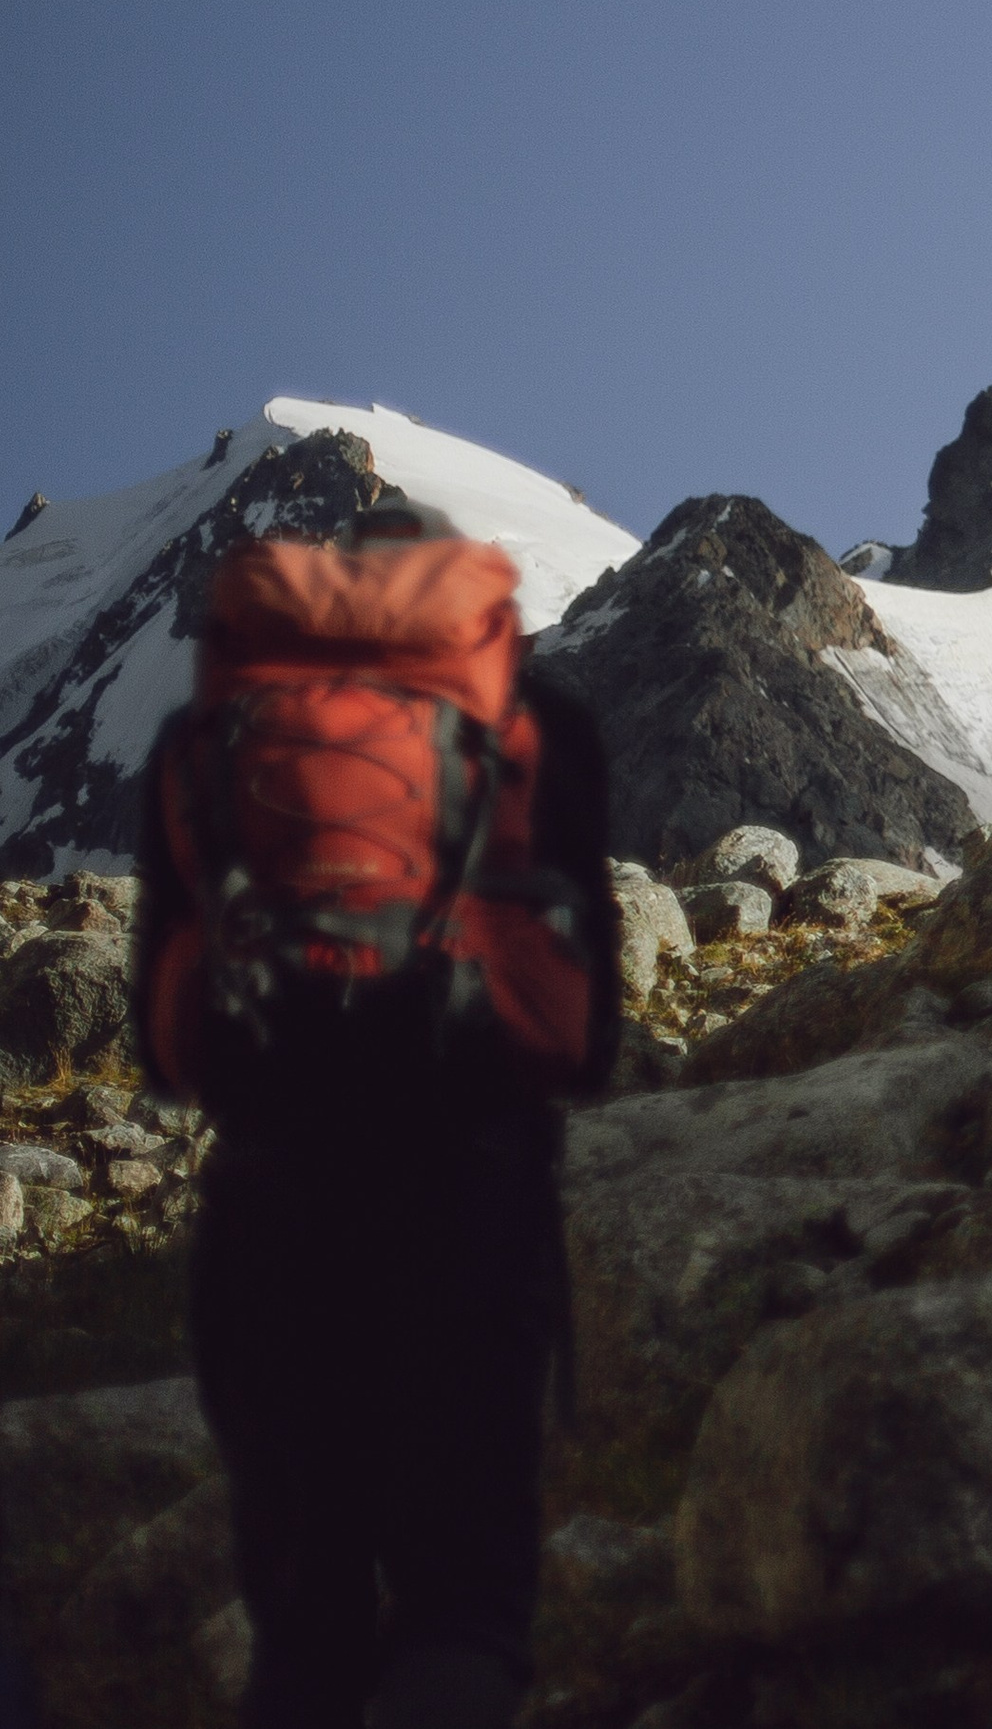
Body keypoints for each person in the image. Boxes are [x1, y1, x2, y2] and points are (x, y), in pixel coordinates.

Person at [135, 495, 619, 1729]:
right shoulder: (537, 724)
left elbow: (160, 1041)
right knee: (463, 1615)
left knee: (304, 1644)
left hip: (270, 1209)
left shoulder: (207, 738)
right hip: (473, 1195)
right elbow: (591, 1035)